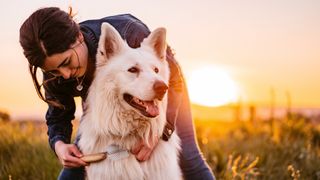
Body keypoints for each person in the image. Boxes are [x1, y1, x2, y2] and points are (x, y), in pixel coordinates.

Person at [19, 7, 215, 180]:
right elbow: (58, 115)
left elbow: (171, 81)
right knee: (78, 163)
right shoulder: (54, 68)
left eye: (66, 62)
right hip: (104, 97)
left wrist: (162, 131)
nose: (65, 75)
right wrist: (59, 145)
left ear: (79, 37)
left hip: (163, 86)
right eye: (54, 71)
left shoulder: (130, 33)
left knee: (189, 156)